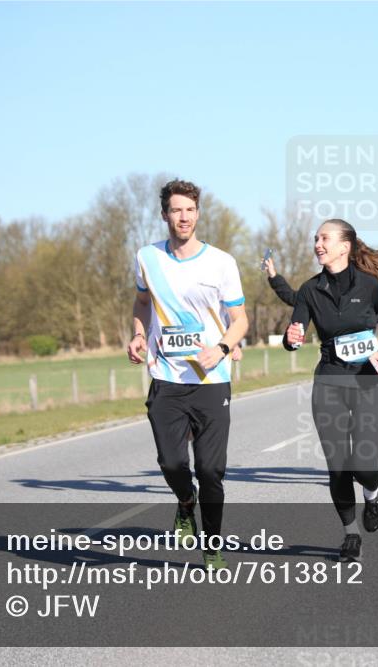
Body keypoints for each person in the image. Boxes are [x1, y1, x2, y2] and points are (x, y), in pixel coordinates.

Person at [127, 179, 249, 570]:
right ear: (165, 214)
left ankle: (212, 543)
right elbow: (142, 300)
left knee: (211, 471)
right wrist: (138, 333)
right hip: (166, 377)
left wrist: (223, 348)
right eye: (176, 210)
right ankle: (184, 503)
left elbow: (240, 319)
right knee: (171, 463)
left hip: (212, 380)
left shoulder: (221, 262)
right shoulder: (148, 257)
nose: (184, 217)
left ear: (198, 213)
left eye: (190, 210)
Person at [284, 219, 378, 562]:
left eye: (324, 238)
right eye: (316, 239)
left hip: (367, 380)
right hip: (329, 382)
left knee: (365, 465)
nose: (317, 243)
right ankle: (350, 534)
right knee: (338, 466)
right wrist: (290, 340)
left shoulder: (370, 286)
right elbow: (295, 330)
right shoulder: (309, 290)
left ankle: (373, 492)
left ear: (344, 246)